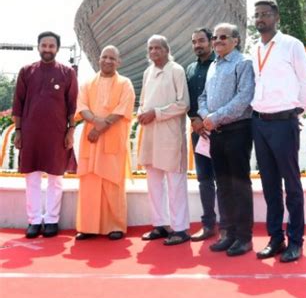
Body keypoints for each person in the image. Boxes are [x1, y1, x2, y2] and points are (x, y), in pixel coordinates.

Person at [251, 0, 306, 263]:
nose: (260, 18)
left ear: (276, 17)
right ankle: (275, 238)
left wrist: (295, 111)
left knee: (291, 185)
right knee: (269, 185)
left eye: (265, 14)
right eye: (256, 15)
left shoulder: (291, 45)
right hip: (259, 123)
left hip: (283, 122)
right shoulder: (255, 49)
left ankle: (296, 241)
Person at [12, 31, 78, 238]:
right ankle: (33, 221)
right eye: (44, 45)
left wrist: (70, 131)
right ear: (38, 47)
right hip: (30, 133)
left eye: (51, 46)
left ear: (57, 48)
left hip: (57, 133)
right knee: (31, 177)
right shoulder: (26, 72)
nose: (47, 49)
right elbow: (18, 104)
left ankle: (51, 220)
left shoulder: (67, 73)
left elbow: (72, 106)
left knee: (55, 178)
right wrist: (18, 131)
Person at [198, 23, 255, 257]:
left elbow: (244, 97)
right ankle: (227, 233)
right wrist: (205, 117)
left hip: (238, 130)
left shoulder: (243, 63)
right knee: (222, 184)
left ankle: (243, 237)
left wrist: (215, 117)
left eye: (224, 37)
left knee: (239, 185)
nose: (218, 41)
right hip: (216, 133)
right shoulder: (213, 65)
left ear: (236, 40)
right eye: (215, 37)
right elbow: (202, 96)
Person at [74, 45, 135, 240]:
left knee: (112, 182)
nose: (108, 61)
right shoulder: (87, 83)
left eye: (112, 58)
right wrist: (95, 123)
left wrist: (100, 126)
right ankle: (88, 227)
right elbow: (81, 106)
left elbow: (123, 108)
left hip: (112, 139)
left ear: (119, 62)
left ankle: (115, 226)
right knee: (90, 181)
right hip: (90, 140)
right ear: (99, 59)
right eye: (105, 57)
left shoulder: (125, 83)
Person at [138, 35, 191, 245]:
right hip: (150, 133)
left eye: (158, 48)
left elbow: (184, 104)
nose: (154, 52)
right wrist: (143, 112)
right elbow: (142, 102)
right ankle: (159, 225)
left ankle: (180, 229)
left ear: (167, 50)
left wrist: (156, 113)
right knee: (153, 182)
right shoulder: (147, 72)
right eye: (150, 48)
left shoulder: (176, 70)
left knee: (175, 183)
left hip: (170, 135)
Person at [186, 27, 226, 242]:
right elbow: (187, 99)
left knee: (223, 178)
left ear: (210, 42)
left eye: (201, 40)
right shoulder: (190, 69)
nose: (197, 45)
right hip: (198, 132)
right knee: (204, 179)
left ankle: (227, 226)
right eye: (194, 42)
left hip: (220, 130)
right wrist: (194, 119)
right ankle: (208, 224)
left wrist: (211, 120)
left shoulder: (221, 64)